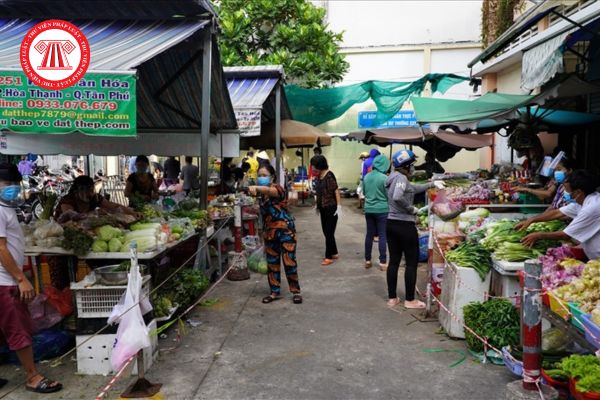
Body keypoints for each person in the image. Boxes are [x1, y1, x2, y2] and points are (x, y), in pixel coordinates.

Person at [0, 163, 63, 393]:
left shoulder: (5, 208)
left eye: (15, 184)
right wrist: (20, 278)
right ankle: (32, 377)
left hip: (7, 279)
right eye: (7, 184)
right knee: (18, 329)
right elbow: (1, 249)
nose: (13, 189)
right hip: (5, 282)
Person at [385, 150, 444, 309]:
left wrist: (432, 184)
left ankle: (392, 298)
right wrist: (411, 209)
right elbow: (398, 196)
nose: (413, 167)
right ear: (406, 165)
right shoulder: (401, 178)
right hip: (404, 225)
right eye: (411, 164)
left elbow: (413, 188)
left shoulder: (392, 178)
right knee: (411, 262)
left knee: (394, 261)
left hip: (391, 224)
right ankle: (410, 300)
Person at [248, 164, 302, 304]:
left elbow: (269, 190)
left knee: (289, 262)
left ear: (272, 177)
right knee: (272, 263)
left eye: (264, 175)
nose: (261, 178)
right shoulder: (262, 196)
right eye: (259, 175)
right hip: (270, 233)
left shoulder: (277, 189)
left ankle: (296, 292)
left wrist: (256, 187)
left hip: (285, 231)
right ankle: (274, 292)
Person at [521, 170, 600, 260]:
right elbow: (557, 212)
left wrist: (539, 235)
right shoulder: (583, 201)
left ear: (578, 192)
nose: (565, 193)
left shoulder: (592, 208)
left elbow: (565, 235)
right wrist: (531, 220)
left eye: (568, 191)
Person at [515, 159, 574, 231]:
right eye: (555, 170)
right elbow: (553, 205)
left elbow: (571, 213)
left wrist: (549, 217)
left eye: (559, 169)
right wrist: (540, 218)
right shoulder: (561, 186)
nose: (556, 172)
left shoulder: (574, 188)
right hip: (556, 222)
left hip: (567, 227)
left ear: (570, 170)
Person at [54, 176, 140, 220]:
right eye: (86, 191)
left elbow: (115, 206)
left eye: (91, 190)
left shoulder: (95, 197)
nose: (90, 194)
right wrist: (94, 213)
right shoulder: (68, 200)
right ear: (76, 191)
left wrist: (132, 213)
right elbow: (70, 218)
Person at [311, 155, 341, 266]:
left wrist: (339, 206)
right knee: (326, 232)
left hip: (331, 208)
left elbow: (336, 191)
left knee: (328, 233)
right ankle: (334, 252)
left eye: (314, 166)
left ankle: (328, 257)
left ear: (320, 165)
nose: (313, 168)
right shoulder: (319, 176)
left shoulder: (329, 175)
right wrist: (317, 205)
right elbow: (319, 192)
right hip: (323, 208)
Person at [363, 154, 390, 270]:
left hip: (368, 209)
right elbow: (388, 195)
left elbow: (364, 192)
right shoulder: (385, 178)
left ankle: (367, 260)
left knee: (369, 234)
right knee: (382, 235)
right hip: (382, 210)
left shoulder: (366, 177)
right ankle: (383, 262)